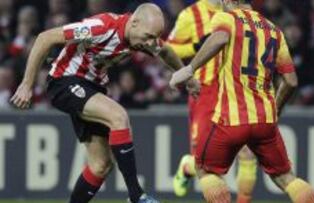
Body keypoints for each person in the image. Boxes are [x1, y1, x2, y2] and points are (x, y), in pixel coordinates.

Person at [11, 3, 184, 203]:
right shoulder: (101, 27)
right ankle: (136, 195)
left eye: (154, 37)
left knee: (100, 165)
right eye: (149, 37)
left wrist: (184, 75)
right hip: (65, 81)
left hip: (92, 87)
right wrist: (26, 84)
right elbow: (45, 38)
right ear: (134, 23)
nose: (151, 43)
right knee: (118, 116)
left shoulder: (141, 36)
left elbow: (166, 51)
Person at [169, 0, 314, 202]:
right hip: (264, 119)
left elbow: (220, 38)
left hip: (231, 117)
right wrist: (275, 111)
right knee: (286, 177)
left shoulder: (226, 18)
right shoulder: (274, 29)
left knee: (206, 170)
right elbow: (291, 81)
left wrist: (189, 69)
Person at [167, 0, 257, 202]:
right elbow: (168, 48)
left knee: (247, 153)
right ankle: (187, 167)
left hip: (236, 91)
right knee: (207, 165)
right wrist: (195, 45)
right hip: (205, 92)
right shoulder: (190, 15)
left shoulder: (240, 11)